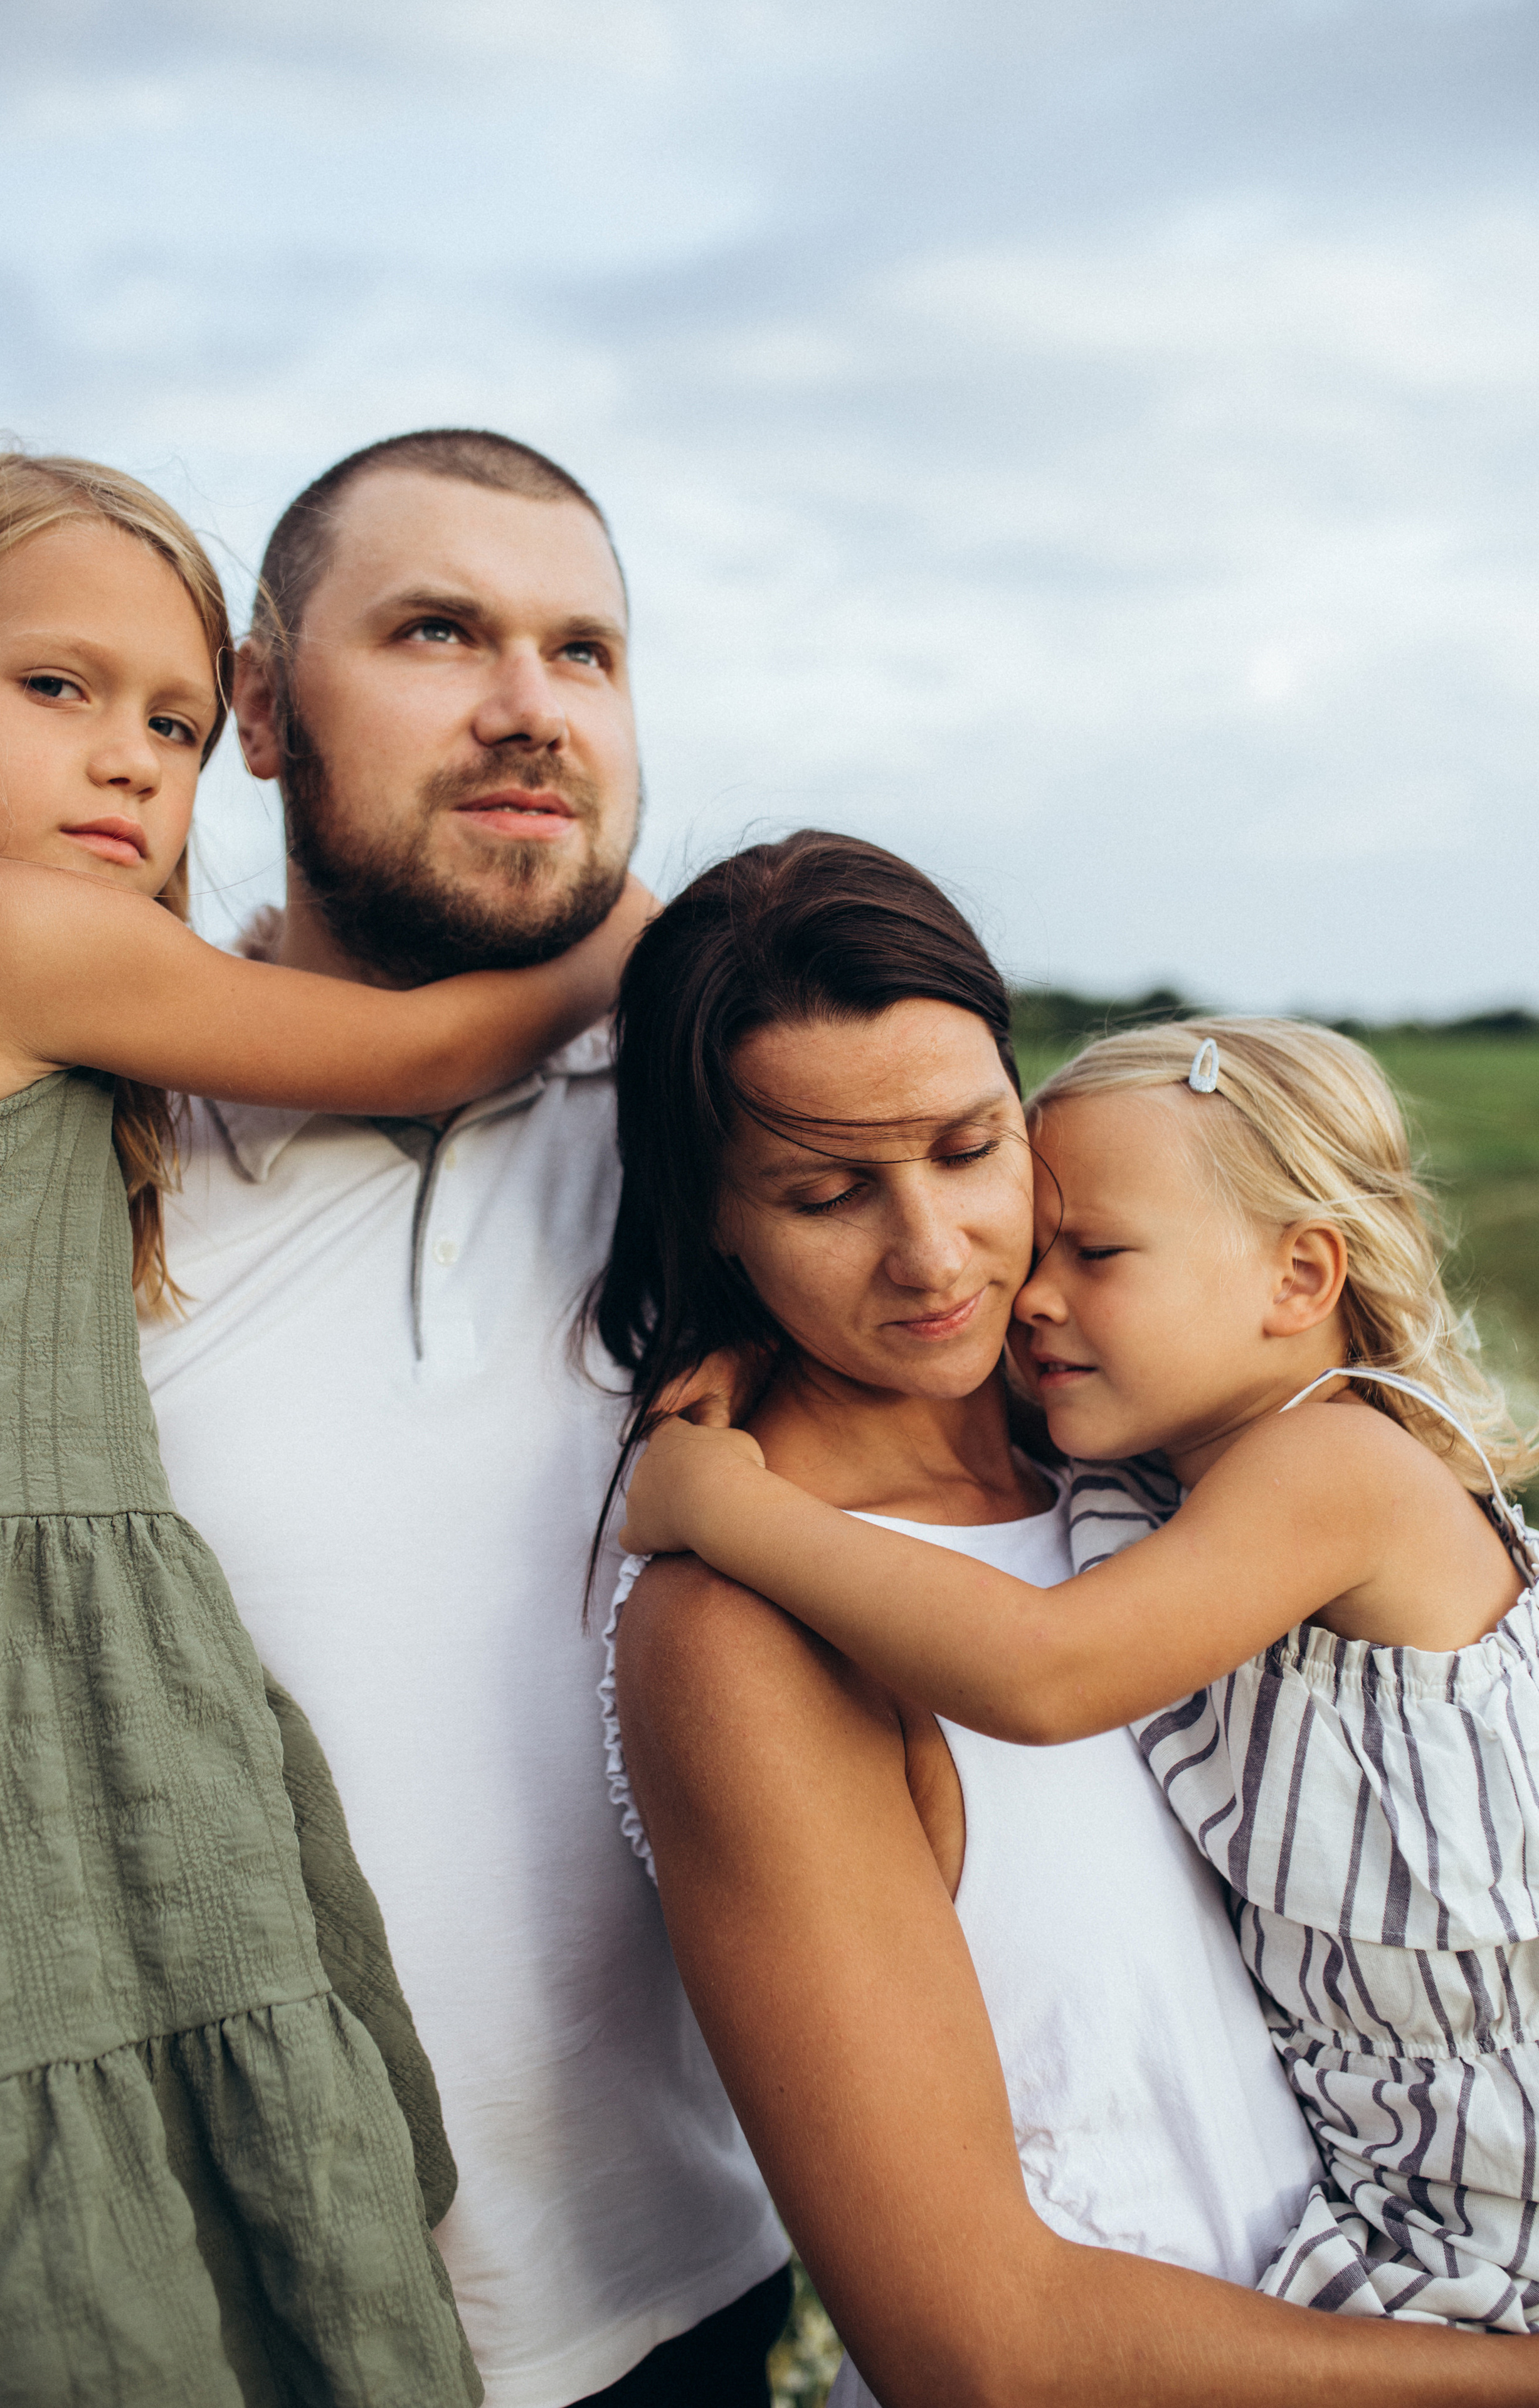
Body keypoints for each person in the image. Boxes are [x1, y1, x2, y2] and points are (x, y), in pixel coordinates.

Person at [597, 830, 1537, 2405]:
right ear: (714, 1215)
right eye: (826, 1194)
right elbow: (980, 2351)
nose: (938, 1257)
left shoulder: (1157, 1473)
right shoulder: (746, 1631)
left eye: (971, 1153)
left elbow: (1047, 1652)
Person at [0, 444, 645, 2404]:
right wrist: (630, 923)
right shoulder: (12, 950)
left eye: (158, 717)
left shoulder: (695, 1137)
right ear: (288, 705)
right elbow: (421, 1045)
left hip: (649, 2268)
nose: (126, 762)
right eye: (54, 690)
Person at [139, 430, 792, 2408]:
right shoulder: (85, 1161)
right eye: (439, 631)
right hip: (206, 2318)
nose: (529, 709)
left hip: (683, 2294)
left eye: (584, 651)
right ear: (257, 709)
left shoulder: (743, 1150)